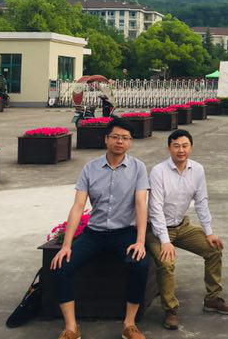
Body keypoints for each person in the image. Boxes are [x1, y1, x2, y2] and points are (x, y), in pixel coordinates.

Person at [50, 118, 150, 339]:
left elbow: (141, 205)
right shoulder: (90, 168)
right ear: (106, 139)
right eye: (115, 137)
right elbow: (78, 207)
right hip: (94, 234)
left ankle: (129, 324)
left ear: (130, 142)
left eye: (125, 138)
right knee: (61, 266)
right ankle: (71, 328)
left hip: (124, 233)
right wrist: (66, 245)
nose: (119, 142)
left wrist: (140, 241)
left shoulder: (138, 168)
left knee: (140, 265)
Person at [147, 129, 228, 331]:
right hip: (157, 229)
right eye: (176, 146)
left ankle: (212, 299)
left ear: (191, 148)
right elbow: (155, 208)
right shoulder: (158, 171)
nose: (181, 150)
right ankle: (170, 310)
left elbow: (201, 202)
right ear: (169, 148)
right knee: (166, 263)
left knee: (213, 249)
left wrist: (209, 232)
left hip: (182, 225)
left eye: (185, 146)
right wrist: (165, 241)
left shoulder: (197, 169)